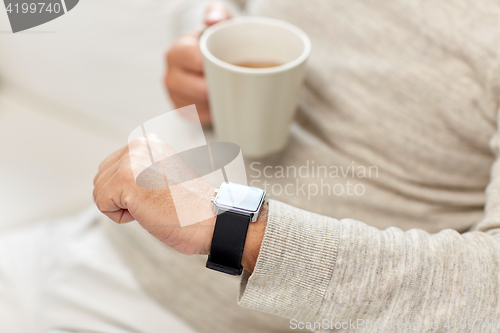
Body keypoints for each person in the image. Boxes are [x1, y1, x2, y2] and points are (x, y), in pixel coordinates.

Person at [94, 0, 500, 332]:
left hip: (228, 319)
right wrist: (202, 43)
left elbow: (492, 290)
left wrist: (225, 223)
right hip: (111, 248)